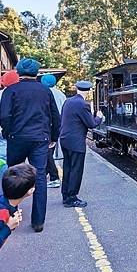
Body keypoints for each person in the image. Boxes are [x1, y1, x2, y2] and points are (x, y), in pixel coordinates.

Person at [0, 58, 60, 232]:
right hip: (40, 139)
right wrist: (53, 137)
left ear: (18, 72)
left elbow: (4, 116)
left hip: (16, 138)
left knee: (14, 174)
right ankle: (38, 222)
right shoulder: (45, 91)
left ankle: (11, 213)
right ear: (36, 73)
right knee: (39, 177)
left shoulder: (10, 91)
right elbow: (55, 116)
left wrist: (8, 132)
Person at [59, 80, 104, 208]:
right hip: (76, 142)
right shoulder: (83, 104)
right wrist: (99, 117)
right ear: (88, 91)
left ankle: (65, 195)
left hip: (65, 139)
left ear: (77, 89)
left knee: (67, 168)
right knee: (76, 170)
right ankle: (72, 198)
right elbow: (91, 124)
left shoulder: (68, 101)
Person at [0, 70, 20, 170]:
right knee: (17, 159)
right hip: (17, 130)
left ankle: (5, 184)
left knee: (3, 159)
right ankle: (16, 183)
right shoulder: (20, 94)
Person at [41, 74, 66, 188]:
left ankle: (54, 176)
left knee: (47, 153)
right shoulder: (61, 94)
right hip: (58, 125)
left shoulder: (43, 93)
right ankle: (47, 173)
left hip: (47, 126)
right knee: (49, 152)